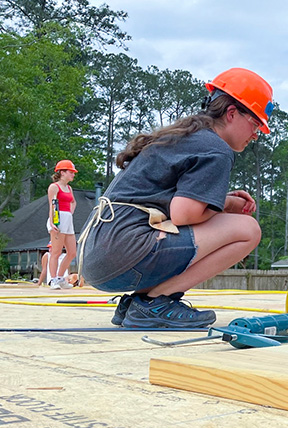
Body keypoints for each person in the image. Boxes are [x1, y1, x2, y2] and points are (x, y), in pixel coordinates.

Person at [78, 67, 272, 328]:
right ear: (232, 113)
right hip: (122, 254)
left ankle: (140, 300)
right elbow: (183, 213)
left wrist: (221, 200)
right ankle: (155, 302)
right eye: (255, 123)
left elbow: (172, 204)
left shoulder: (188, 137)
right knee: (248, 229)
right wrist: (225, 204)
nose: (256, 133)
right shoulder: (216, 149)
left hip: (99, 257)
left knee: (229, 225)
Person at [46, 160, 78, 289]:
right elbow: (52, 205)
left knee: (72, 252)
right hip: (58, 218)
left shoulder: (69, 188)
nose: (73, 175)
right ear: (62, 172)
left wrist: (69, 213)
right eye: (71, 172)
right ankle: (53, 280)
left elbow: (73, 202)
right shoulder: (54, 187)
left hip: (67, 219)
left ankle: (60, 278)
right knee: (56, 251)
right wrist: (53, 221)